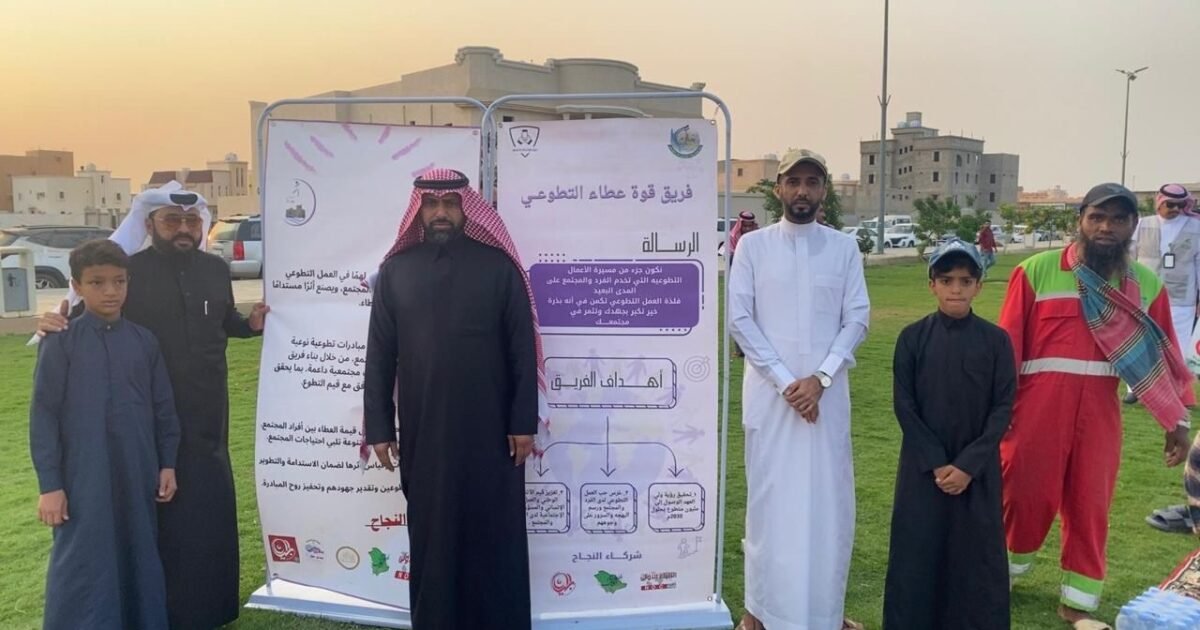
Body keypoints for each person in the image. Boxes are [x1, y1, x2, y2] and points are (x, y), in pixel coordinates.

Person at [38, 181, 269, 629]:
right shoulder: (130, 272)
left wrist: (250, 325)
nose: (183, 229)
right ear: (149, 225)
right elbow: (91, 317)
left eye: (191, 221)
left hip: (207, 417)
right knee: (157, 516)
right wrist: (53, 322)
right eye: (172, 220)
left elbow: (223, 321)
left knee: (206, 513)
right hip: (142, 422)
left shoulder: (215, 269)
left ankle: (211, 607)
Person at [999, 183, 1194, 628]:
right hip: (1036, 408)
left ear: (1132, 226)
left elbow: (1166, 357)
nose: (1106, 227)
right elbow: (1006, 347)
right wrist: (997, 412)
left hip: (1101, 413)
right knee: (1023, 494)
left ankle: (1077, 601)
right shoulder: (1036, 271)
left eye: (1118, 219)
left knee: (1091, 503)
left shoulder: (1145, 286)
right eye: (1097, 217)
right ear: (1081, 220)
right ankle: (1002, 574)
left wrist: (1177, 421)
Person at [364, 168, 546, 630]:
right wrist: (379, 427)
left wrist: (523, 421)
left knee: (494, 531)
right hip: (425, 430)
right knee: (433, 532)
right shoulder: (396, 272)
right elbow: (380, 353)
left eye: (450, 203)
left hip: (493, 431)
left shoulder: (499, 268)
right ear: (419, 210)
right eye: (431, 204)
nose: (440, 212)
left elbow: (521, 350)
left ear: (467, 208)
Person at [728, 149, 870, 630]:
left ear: (823, 190)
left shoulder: (843, 249)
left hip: (826, 402)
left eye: (812, 182)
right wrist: (789, 383)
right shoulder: (753, 247)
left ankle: (824, 612)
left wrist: (821, 378)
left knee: (827, 504)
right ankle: (760, 610)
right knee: (770, 502)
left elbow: (857, 318)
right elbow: (740, 320)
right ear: (779, 189)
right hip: (772, 401)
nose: (802, 191)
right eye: (794, 182)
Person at [31, 239, 180, 629]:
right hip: (82, 474)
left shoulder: (144, 341)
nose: (111, 291)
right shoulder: (61, 341)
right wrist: (50, 485)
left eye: (119, 281)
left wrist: (167, 463)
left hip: (137, 468)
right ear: (76, 286)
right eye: (97, 282)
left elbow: (163, 408)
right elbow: (43, 416)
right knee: (84, 558)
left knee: (138, 551)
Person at [883, 238, 1015, 629]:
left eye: (964, 281)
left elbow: (1003, 407)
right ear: (932, 285)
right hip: (924, 472)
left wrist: (968, 466)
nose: (955, 289)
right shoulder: (912, 338)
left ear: (978, 286)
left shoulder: (996, 341)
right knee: (918, 553)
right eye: (946, 280)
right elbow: (905, 406)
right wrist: (938, 463)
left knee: (975, 557)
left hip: (977, 474)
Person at [1124, 184, 1200, 407]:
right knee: (1138, 341)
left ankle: (1176, 390)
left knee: (1177, 345)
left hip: (1181, 298)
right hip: (1144, 295)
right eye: (1171, 204)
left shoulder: (1196, 227)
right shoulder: (1142, 224)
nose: (1175, 209)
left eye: (1180, 205)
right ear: (1159, 202)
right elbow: (1128, 259)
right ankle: (1134, 388)